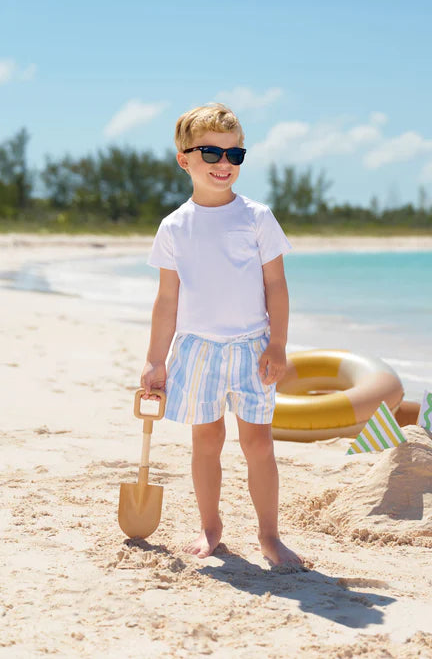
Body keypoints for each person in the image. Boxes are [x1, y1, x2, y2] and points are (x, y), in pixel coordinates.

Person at [140, 103, 301, 566]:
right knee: (205, 442)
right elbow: (167, 300)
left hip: (253, 346)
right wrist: (156, 359)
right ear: (184, 160)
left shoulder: (256, 217)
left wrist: (278, 344)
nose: (223, 163)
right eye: (211, 152)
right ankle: (211, 528)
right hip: (196, 349)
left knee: (259, 443)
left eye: (234, 154)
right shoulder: (174, 226)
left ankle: (269, 536)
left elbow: (276, 285)